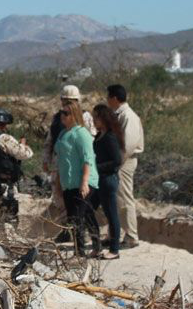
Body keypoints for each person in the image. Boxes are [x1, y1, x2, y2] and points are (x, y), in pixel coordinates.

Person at [54, 101, 100, 256]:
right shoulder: (62, 133)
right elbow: (61, 159)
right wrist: (59, 182)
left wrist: (85, 182)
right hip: (68, 183)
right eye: (62, 112)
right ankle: (97, 246)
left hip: (83, 182)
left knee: (77, 217)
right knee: (86, 214)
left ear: (74, 115)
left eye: (66, 113)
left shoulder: (81, 133)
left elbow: (88, 159)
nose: (62, 115)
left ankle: (80, 253)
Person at [107, 84, 144, 249]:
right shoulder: (119, 115)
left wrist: (115, 162)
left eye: (108, 97)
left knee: (125, 198)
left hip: (124, 161)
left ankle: (131, 236)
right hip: (118, 161)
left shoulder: (129, 116)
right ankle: (115, 234)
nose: (107, 100)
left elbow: (128, 145)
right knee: (114, 199)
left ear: (114, 98)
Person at [90, 104, 124, 259]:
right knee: (88, 209)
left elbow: (116, 161)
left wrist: (97, 167)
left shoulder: (110, 137)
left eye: (96, 117)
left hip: (108, 180)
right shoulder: (98, 136)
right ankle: (96, 245)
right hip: (98, 180)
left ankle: (114, 250)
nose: (94, 120)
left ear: (103, 118)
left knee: (111, 214)